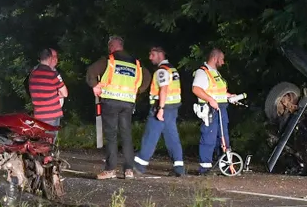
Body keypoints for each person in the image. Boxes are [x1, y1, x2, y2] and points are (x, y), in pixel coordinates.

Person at [86, 35, 146, 180]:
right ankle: (129, 171)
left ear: (112, 46)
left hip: (111, 102)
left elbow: (90, 72)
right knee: (126, 136)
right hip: (127, 103)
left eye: (109, 47)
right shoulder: (135, 63)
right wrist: (137, 91)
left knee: (111, 136)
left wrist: (95, 86)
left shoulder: (109, 60)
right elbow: (147, 77)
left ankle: (110, 169)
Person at [133, 46, 185, 177]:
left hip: (162, 108)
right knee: (172, 138)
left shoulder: (162, 71)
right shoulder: (172, 69)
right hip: (172, 108)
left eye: (152, 55)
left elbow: (164, 89)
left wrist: (160, 109)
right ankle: (179, 168)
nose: (150, 58)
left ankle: (139, 165)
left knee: (151, 135)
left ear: (160, 55)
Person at [192, 48, 241, 175]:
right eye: (222, 59)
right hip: (211, 110)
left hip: (221, 108)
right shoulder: (202, 72)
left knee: (223, 137)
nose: (223, 62)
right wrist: (210, 100)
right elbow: (196, 89)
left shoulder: (216, 73)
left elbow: (217, 91)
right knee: (209, 137)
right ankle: (205, 169)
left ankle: (225, 165)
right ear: (215, 58)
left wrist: (230, 96)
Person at [27, 48, 68, 129]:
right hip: (52, 115)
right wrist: (57, 95)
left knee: (42, 140)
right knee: (51, 139)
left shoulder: (32, 74)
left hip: (39, 115)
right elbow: (65, 93)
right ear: (49, 58)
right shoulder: (52, 74)